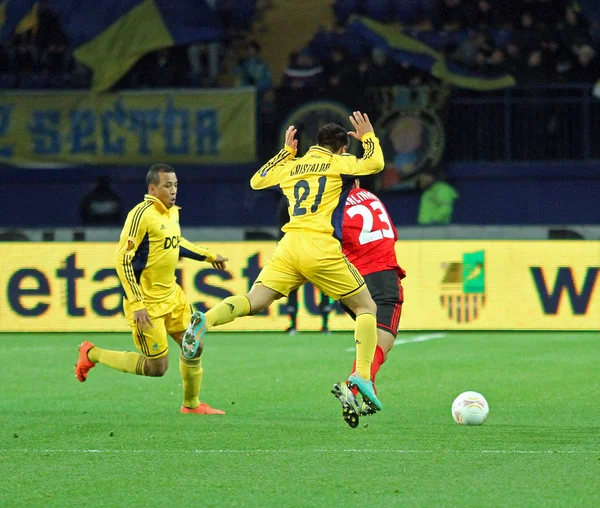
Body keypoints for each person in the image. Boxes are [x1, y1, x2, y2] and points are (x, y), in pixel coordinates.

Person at [182, 112, 385, 428]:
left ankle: (204, 321)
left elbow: (257, 180)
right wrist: (369, 137)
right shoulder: (336, 163)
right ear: (342, 149)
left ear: (315, 144)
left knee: (255, 299)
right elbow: (374, 165)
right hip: (319, 245)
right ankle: (361, 375)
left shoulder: (292, 165)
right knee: (366, 307)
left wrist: (285, 152)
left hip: (289, 245)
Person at [74, 164, 229, 415]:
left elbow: (177, 243)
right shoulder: (141, 215)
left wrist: (209, 256)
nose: (173, 190)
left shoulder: (171, 213)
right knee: (157, 368)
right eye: (167, 185)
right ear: (152, 188)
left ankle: (191, 405)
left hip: (173, 296)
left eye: (176, 184)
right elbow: (122, 260)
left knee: (194, 345)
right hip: (147, 304)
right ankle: (92, 354)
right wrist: (137, 304)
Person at [340, 180, 406, 423]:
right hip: (381, 276)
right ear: (356, 180)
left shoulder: (329, 206)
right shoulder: (370, 197)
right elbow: (391, 235)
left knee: (368, 340)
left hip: (348, 280)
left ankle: (366, 388)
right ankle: (355, 385)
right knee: (382, 343)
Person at [276, 195, 332, 335]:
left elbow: (282, 227)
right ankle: (325, 325)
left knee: (292, 286)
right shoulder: (319, 197)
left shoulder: (287, 200)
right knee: (324, 286)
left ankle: (293, 325)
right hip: (316, 248)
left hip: (294, 249)